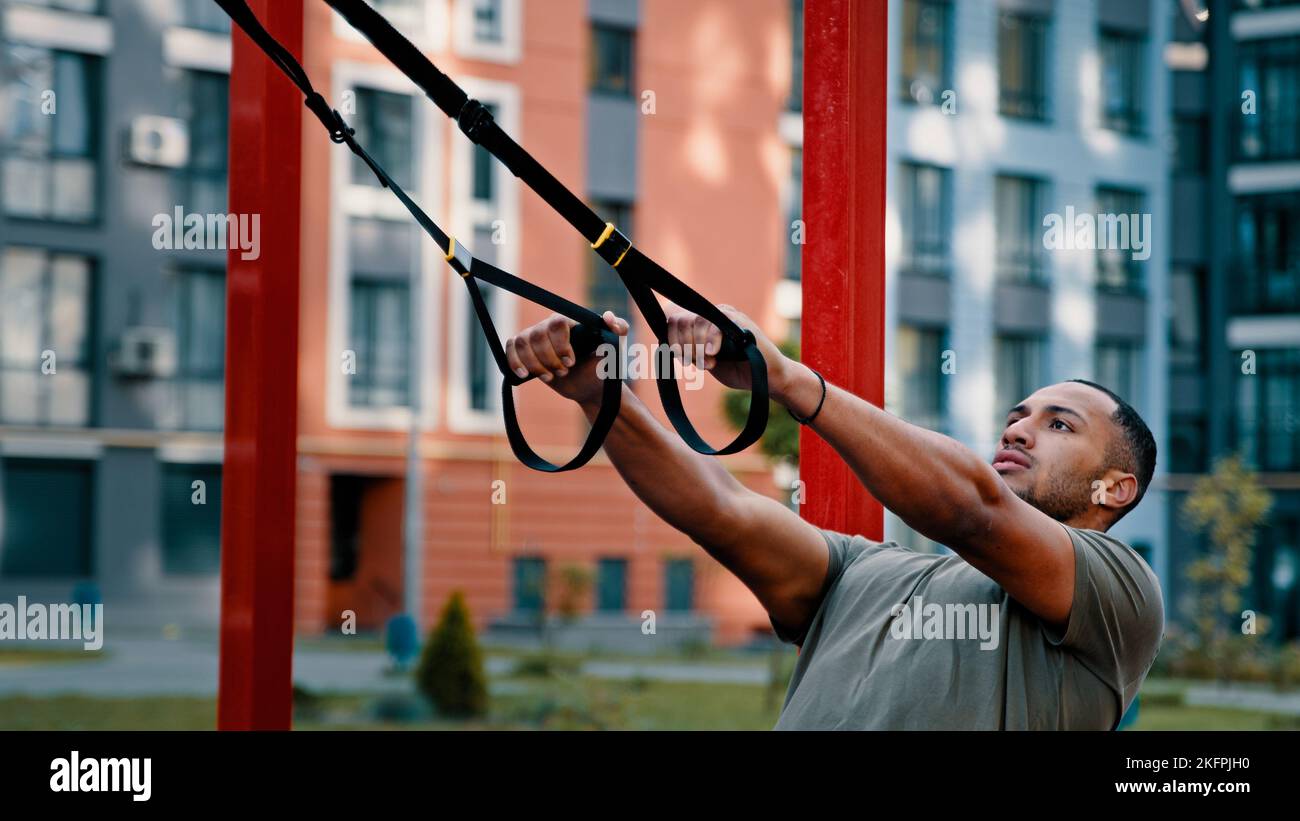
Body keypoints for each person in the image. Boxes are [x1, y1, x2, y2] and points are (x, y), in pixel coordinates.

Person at [504, 305, 1165, 730]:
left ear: (1115, 487)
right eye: (1016, 416)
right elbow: (722, 509)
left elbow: (971, 510)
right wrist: (600, 393)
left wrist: (789, 380)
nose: (1018, 431)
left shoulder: (1119, 595)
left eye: (1058, 424)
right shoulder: (864, 572)